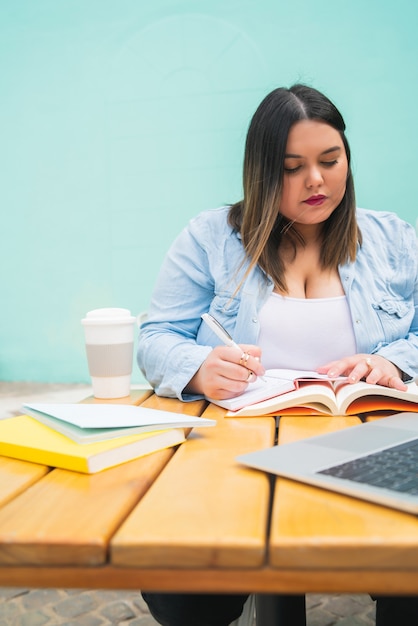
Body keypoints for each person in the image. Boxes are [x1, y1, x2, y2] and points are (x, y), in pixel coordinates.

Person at [137, 84, 418, 626]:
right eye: (292, 167)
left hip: (373, 445)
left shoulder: (393, 239)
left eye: (330, 160)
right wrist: (197, 369)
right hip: (234, 454)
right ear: (262, 172)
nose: (316, 180)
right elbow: (156, 337)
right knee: (185, 585)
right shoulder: (209, 238)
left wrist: (396, 361)